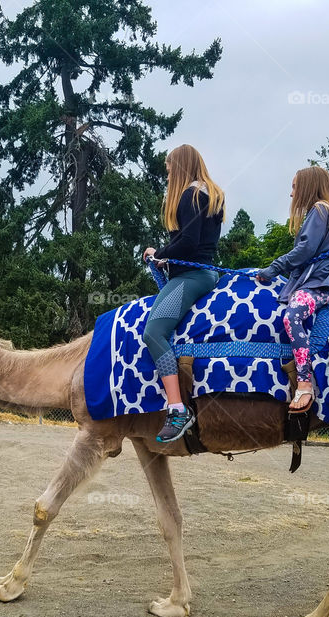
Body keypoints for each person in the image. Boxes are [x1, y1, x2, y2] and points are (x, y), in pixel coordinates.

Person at [142, 144, 225, 442]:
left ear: (178, 168)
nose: (167, 178)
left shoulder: (190, 194)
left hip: (190, 276)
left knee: (153, 332)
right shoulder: (211, 194)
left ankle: (177, 409)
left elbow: (189, 242)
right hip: (205, 272)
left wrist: (159, 253)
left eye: (168, 172)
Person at [256, 166, 329, 414]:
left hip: (318, 285)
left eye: (294, 186)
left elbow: (305, 250)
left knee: (292, 316)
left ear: (308, 187)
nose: (292, 194)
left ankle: (304, 382)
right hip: (319, 281)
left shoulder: (320, 209)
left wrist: (273, 268)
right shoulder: (327, 211)